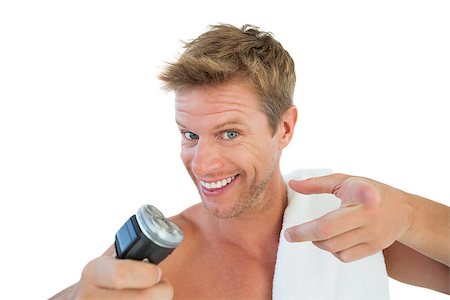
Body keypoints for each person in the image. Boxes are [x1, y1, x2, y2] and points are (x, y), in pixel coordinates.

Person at [50, 24, 449, 299]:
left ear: (285, 128)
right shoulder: (165, 264)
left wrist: (410, 214)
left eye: (229, 133)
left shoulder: (340, 223)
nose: (202, 165)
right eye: (190, 135)